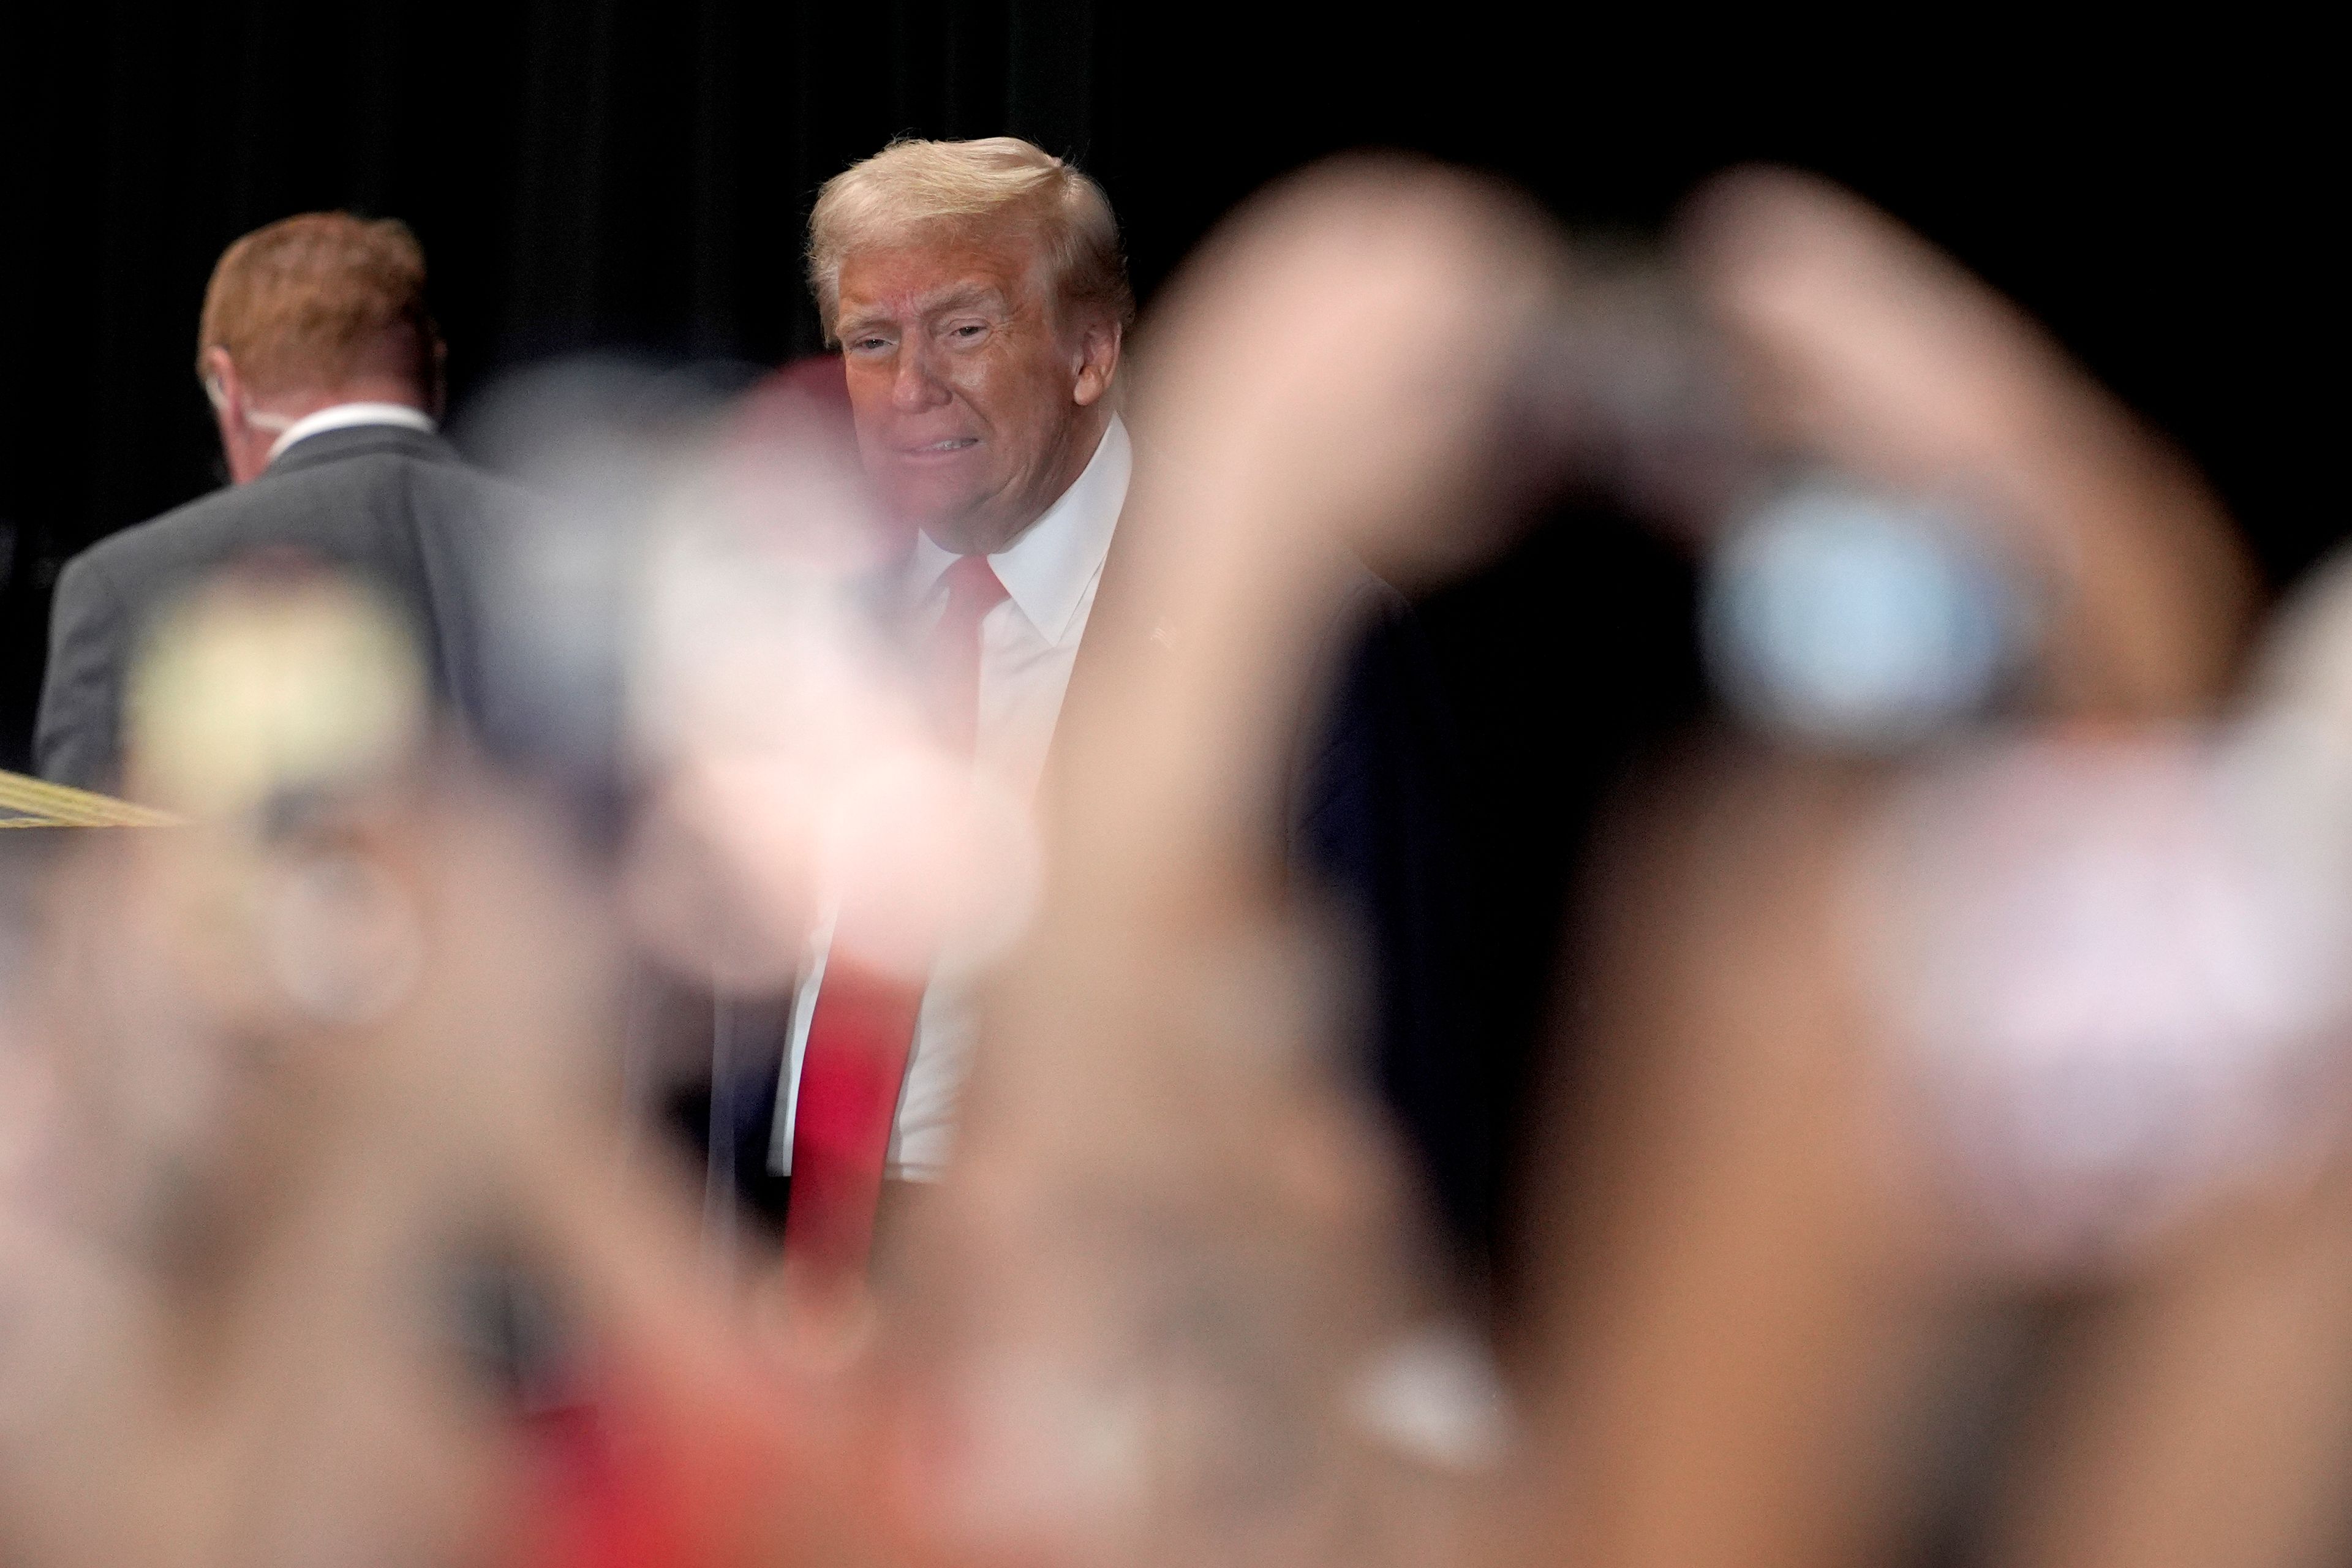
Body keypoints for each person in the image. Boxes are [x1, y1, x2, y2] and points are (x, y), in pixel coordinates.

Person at [760, 137, 1474, 1273]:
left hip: (1127, 1294)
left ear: (1090, 352)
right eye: (870, 341)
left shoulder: (1294, 637)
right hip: (798, 1262)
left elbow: (1393, 1073)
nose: (909, 389)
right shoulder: (796, 607)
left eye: (963, 329)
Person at [36, 212, 510, 795]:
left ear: (227, 389)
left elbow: (84, 872)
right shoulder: (594, 556)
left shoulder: (121, 585)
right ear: (433, 369)